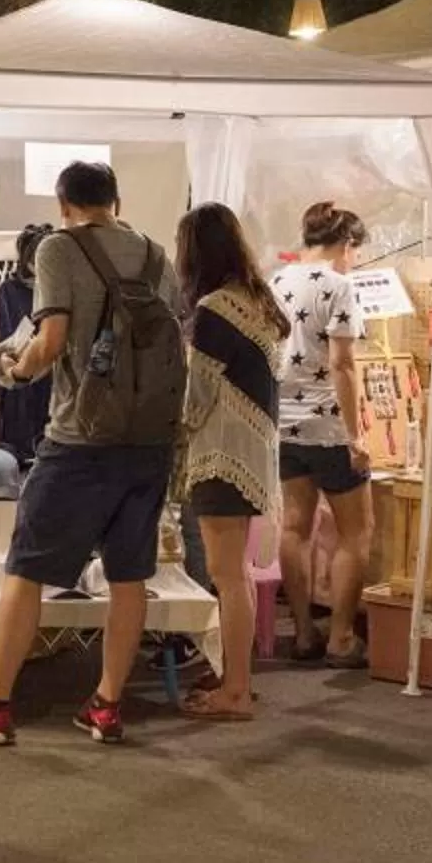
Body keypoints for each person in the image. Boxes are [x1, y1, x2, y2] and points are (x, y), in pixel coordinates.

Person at [0, 161, 181, 748]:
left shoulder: (59, 249)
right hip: (148, 439)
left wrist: (15, 369)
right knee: (128, 575)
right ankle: (107, 706)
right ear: (116, 200)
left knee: (26, 567)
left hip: (81, 437)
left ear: (65, 204)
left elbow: (53, 340)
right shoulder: (154, 254)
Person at [172, 202, 286, 723]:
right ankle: (235, 679)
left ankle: (235, 689)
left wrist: (171, 439)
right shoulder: (257, 302)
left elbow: (196, 397)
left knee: (228, 575)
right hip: (252, 449)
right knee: (234, 573)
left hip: (221, 453)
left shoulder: (216, 308)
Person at [269, 201, 373, 667]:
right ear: (345, 244)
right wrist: (356, 435)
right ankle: (342, 637)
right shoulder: (339, 286)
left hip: (283, 422)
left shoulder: (273, 280)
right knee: (357, 532)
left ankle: (305, 633)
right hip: (329, 426)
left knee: (294, 527)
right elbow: (343, 363)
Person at [0, 224, 53, 464]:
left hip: (53, 366)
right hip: (21, 367)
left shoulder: (59, 288)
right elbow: (6, 335)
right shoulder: (9, 290)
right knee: (21, 418)